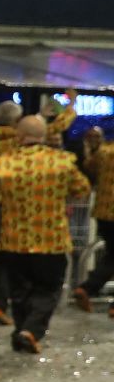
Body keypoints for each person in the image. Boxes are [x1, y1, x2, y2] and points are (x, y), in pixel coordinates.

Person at [0, 115, 91, 354]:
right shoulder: (62, 161)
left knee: (19, 291)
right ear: (44, 136)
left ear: (18, 136)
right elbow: (82, 189)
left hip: (13, 240)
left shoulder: (2, 162)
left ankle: (22, 332)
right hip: (51, 239)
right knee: (49, 289)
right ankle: (30, 331)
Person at [72, 125, 114, 315]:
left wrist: (88, 151)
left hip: (104, 212)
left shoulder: (105, 152)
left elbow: (89, 168)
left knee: (112, 254)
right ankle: (88, 287)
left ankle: (88, 288)